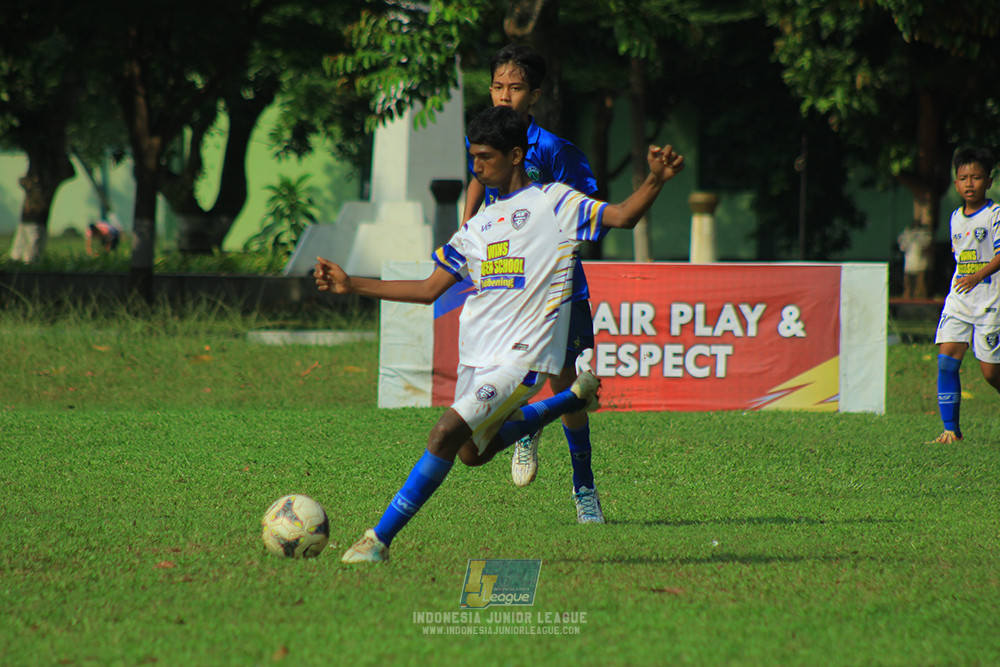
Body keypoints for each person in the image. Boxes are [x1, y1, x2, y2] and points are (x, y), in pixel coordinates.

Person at [315, 105, 685, 562]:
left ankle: (378, 541)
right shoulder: (476, 228)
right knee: (471, 453)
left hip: (522, 359)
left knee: (442, 436)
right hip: (477, 359)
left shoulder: (556, 203)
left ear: (515, 155)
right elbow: (431, 288)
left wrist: (655, 180)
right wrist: (352, 283)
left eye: (485, 156)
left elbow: (624, 216)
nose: (476, 166)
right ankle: (570, 398)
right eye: (472, 156)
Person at [462, 43, 605, 522]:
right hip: (505, 286)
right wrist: (467, 238)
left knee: (566, 388)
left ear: (535, 95)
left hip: (558, 288)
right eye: (498, 86)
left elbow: (583, 216)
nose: (505, 95)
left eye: (516, 87)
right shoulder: (485, 140)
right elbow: (478, 188)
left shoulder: (558, 152)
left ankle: (584, 487)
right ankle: (524, 428)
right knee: (511, 376)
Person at [930, 146, 1000, 444]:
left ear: (989, 180)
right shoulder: (955, 218)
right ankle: (951, 431)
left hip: (990, 301)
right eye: (963, 178)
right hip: (960, 299)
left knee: (990, 374)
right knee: (946, 361)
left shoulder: (995, 214)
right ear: (955, 183)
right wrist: (966, 278)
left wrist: (977, 276)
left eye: (976, 177)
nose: (969, 183)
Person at [897, 221, 933, 298]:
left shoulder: (924, 234)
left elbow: (926, 245)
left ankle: (920, 297)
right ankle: (907, 296)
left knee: (920, 284)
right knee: (908, 284)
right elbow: (902, 246)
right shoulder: (906, 234)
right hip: (909, 263)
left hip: (920, 264)